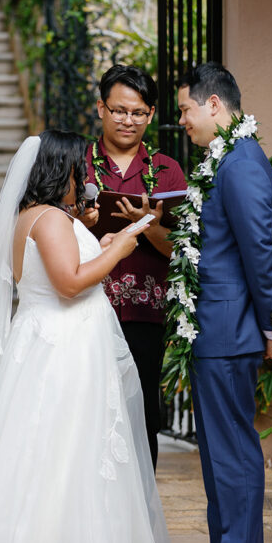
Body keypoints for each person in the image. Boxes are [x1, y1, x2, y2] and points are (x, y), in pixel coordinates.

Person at [0, 130, 172, 543]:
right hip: (64, 347)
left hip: (49, 341)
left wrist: (97, 239)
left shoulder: (40, 216)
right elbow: (69, 283)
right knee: (65, 444)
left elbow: (59, 269)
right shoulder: (49, 219)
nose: (84, 177)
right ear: (58, 170)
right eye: (77, 169)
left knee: (53, 444)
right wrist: (119, 251)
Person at [168, 62, 272, 543]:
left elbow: (260, 254)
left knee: (234, 445)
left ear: (213, 104)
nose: (183, 121)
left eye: (185, 110)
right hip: (211, 326)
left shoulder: (240, 164)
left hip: (230, 327)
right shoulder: (226, 158)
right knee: (216, 446)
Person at [83, 65, 186, 469]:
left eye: (139, 113)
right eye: (120, 110)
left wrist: (149, 227)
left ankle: (139, 513)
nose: (129, 120)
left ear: (150, 114)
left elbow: (181, 250)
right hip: (87, 307)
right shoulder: (78, 164)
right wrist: (88, 225)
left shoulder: (168, 171)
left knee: (142, 413)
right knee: (87, 410)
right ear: (101, 109)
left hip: (146, 313)